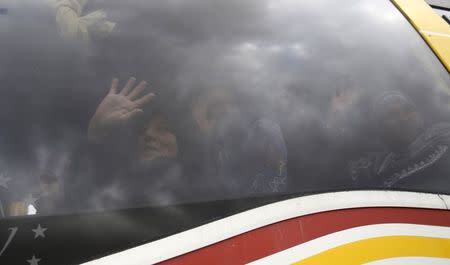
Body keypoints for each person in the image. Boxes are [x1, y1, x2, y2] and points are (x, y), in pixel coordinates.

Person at [349, 90, 450, 192]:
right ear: (381, 128)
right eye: (392, 115)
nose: (403, 119)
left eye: (408, 110)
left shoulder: (444, 141)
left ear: (420, 116)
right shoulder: (373, 168)